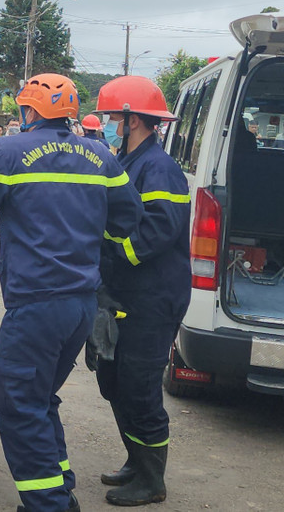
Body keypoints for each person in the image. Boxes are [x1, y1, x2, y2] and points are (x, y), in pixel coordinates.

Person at [0, 73, 142, 512]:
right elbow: (127, 219)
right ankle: (59, 486)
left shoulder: (9, 151)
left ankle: (49, 504)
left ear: (30, 111)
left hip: (36, 303)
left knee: (19, 400)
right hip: (80, 305)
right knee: (39, 397)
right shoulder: (101, 155)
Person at [94, 76, 191, 507]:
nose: (112, 123)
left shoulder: (159, 168)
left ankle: (152, 481)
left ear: (134, 119)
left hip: (153, 297)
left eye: (116, 116)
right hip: (127, 295)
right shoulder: (127, 159)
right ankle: (136, 460)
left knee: (139, 388)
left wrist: (111, 251)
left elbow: (158, 231)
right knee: (114, 381)